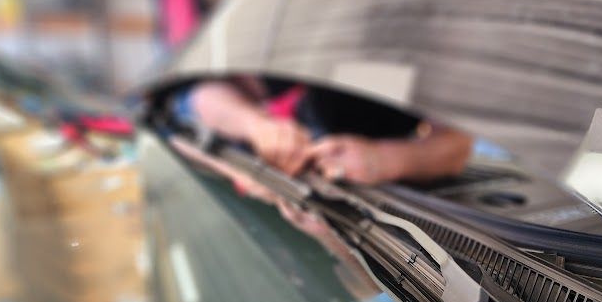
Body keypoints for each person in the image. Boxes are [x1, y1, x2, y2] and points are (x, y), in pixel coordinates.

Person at [174, 77, 473, 186]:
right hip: (305, 165)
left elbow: (458, 146)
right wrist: (257, 125)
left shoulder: (436, 46)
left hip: (380, 186)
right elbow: (204, 96)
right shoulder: (310, 25)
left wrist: (382, 159)